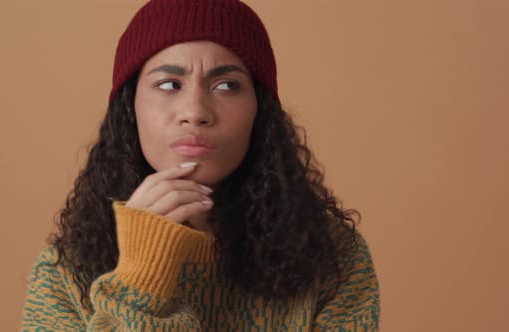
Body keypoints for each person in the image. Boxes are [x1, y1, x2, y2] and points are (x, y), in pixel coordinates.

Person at [20, 0, 380, 330]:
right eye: (168, 84)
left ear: (261, 111)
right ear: (130, 109)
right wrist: (141, 278)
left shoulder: (334, 256)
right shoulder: (65, 272)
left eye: (226, 85)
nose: (195, 112)